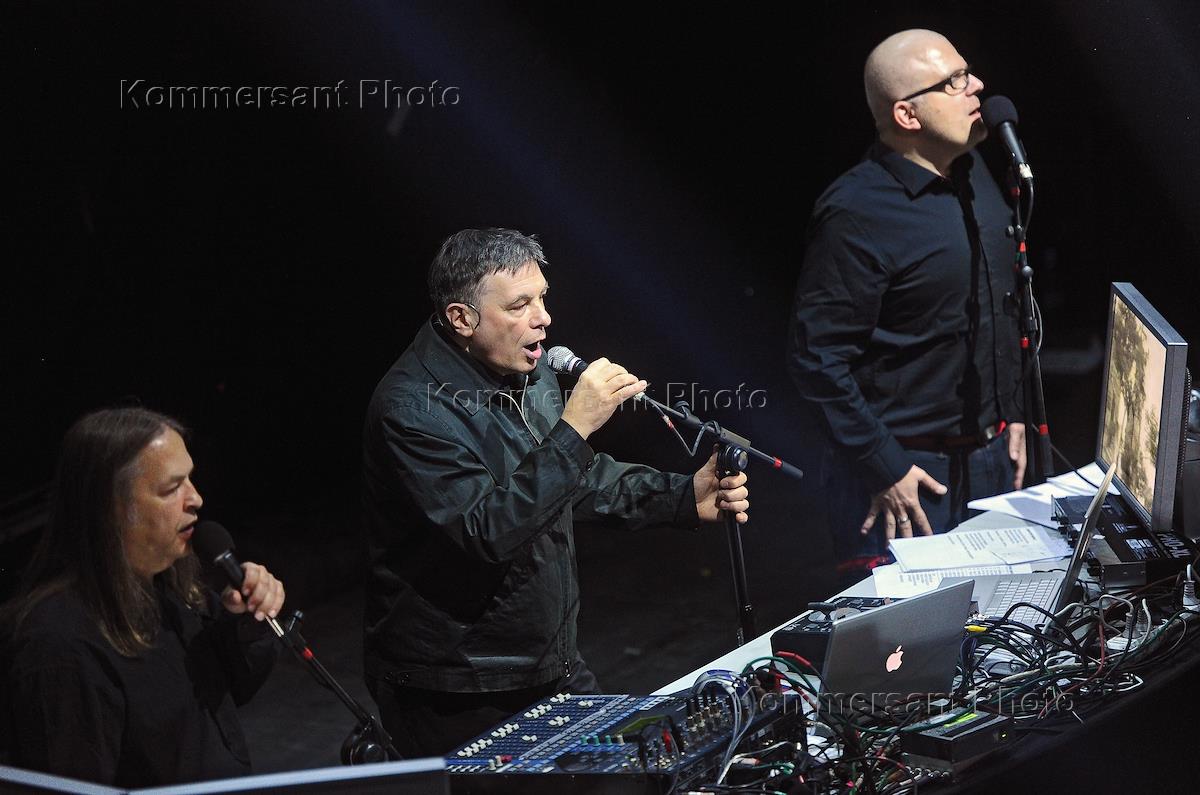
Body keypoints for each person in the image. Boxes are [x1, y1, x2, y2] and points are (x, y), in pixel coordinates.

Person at [362, 227, 750, 757]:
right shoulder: (411, 409)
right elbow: (487, 530)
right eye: (519, 305)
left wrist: (680, 496)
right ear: (461, 318)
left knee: (630, 772)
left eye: (542, 297)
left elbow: (570, 480)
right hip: (456, 686)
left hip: (549, 663)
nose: (543, 318)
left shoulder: (526, 370)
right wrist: (575, 428)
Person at [787, 29, 1027, 582]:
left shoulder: (973, 173)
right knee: (918, 635)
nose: (977, 86)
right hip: (905, 480)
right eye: (955, 81)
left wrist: (1008, 408)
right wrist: (884, 465)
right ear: (907, 114)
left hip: (990, 460)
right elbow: (816, 358)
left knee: (1005, 625)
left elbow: (999, 308)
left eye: (968, 71)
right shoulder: (856, 212)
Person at [0, 408, 285, 787]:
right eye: (171, 488)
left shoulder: (169, 585)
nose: (196, 499)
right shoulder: (59, 647)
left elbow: (229, 692)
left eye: (190, 480)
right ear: (111, 508)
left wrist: (245, 622)